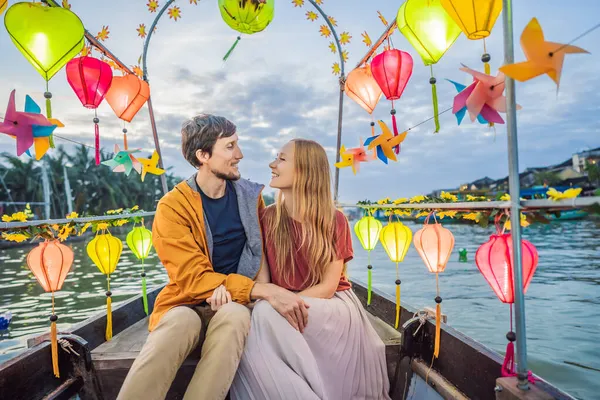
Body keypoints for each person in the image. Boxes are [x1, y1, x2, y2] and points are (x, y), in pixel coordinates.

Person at [117, 115, 313, 400]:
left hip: (235, 303)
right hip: (185, 301)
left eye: (238, 144)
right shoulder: (173, 206)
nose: (239, 154)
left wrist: (243, 293)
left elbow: (261, 254)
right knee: (179, 322)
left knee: (233, 315)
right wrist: (263, 291)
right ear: (203, 155)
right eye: (230, 147)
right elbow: (191, 278)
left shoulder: (250, 197)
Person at [230, 139, 391, 400]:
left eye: (281, 159)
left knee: (265, 314)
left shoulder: (334, 219)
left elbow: (328, 287)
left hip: (329, 305)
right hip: (277, 305)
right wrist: (276, 299)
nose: (272, 164)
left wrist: (287, 301)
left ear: (304, 170)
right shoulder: (266, 218)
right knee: (261, 314)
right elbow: (265, 282)